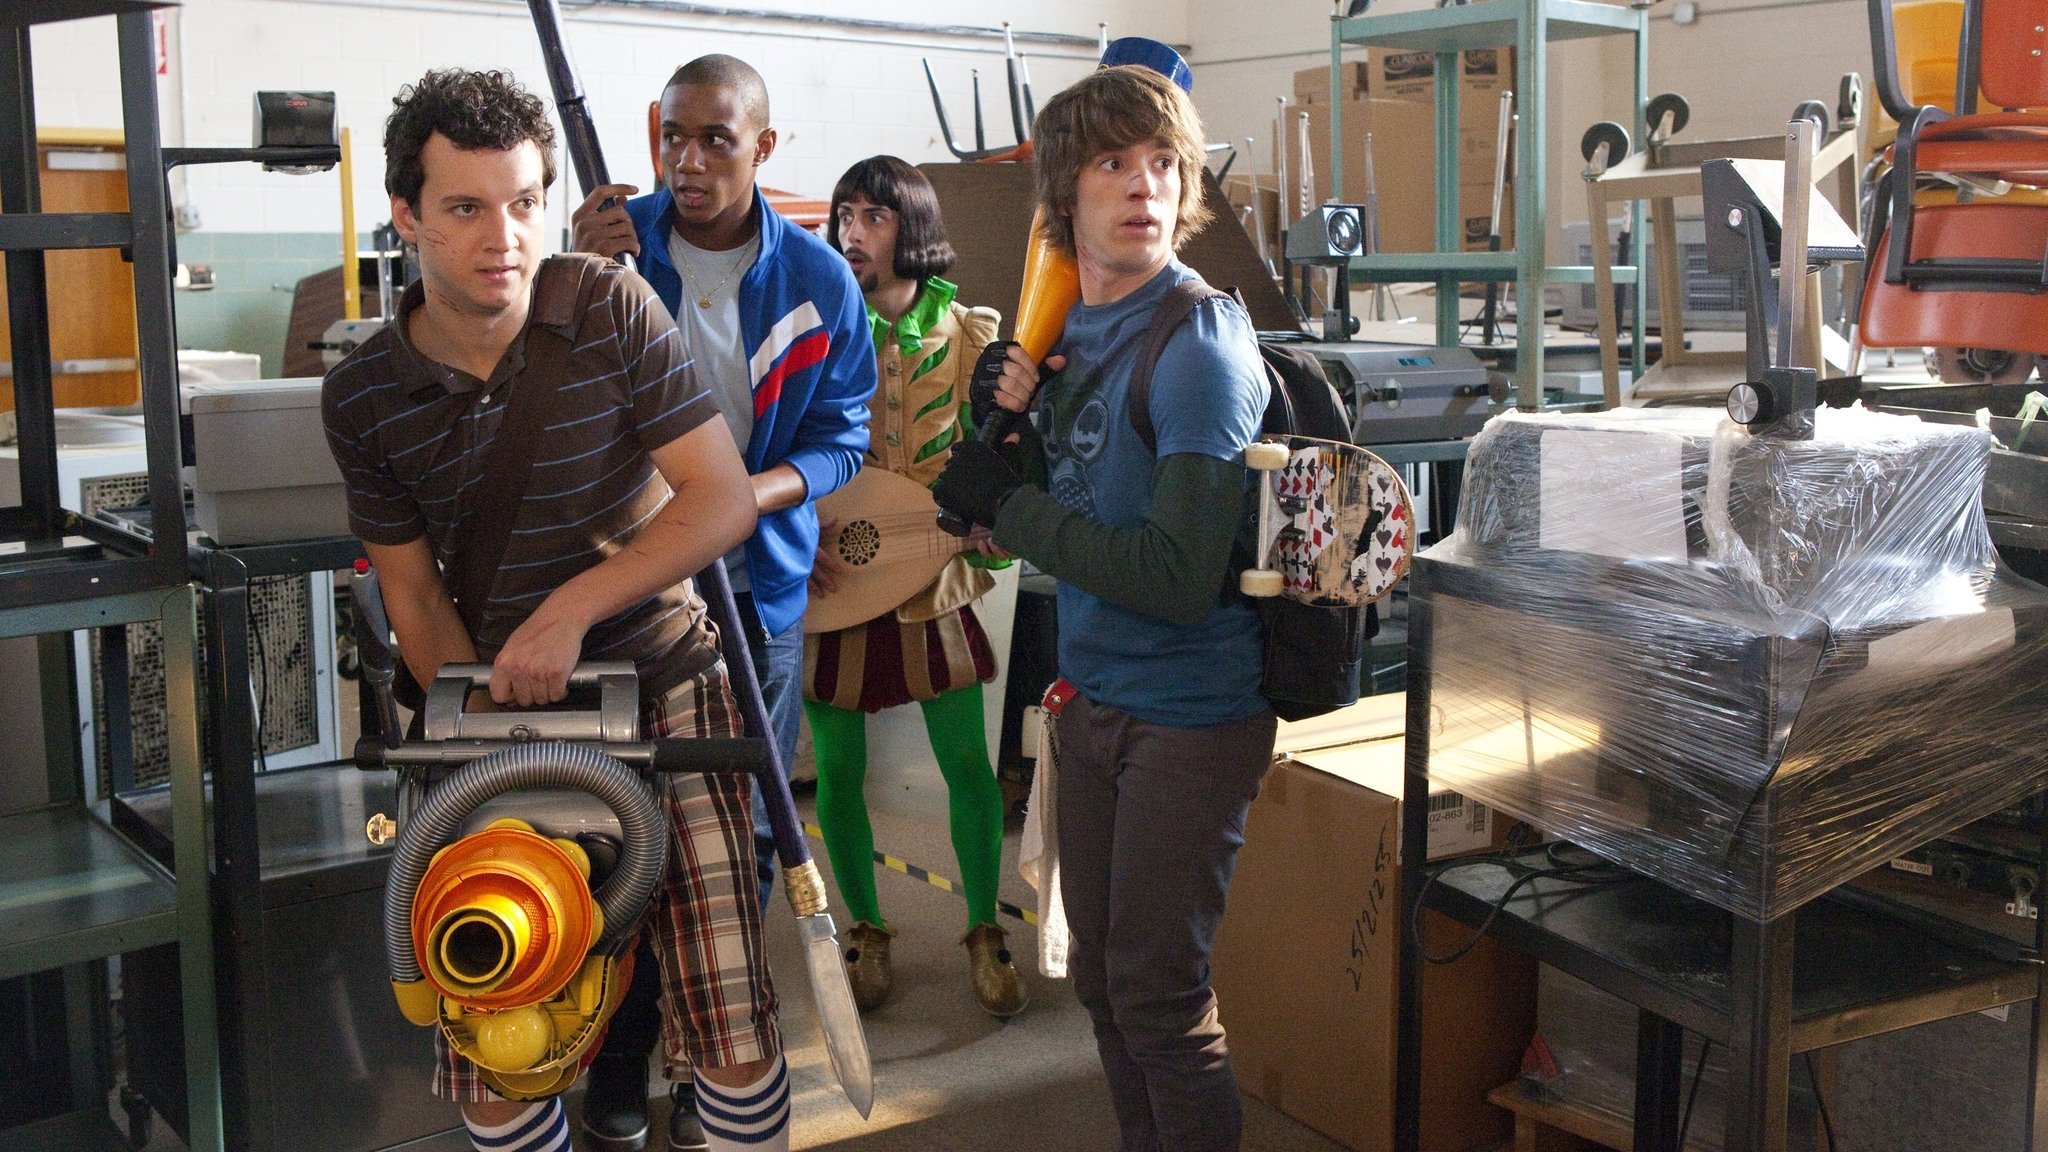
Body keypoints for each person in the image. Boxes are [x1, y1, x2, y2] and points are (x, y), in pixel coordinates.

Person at [321, 69, 791, 1152]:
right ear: (406, 215)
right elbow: (413, 593)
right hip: (496, 714)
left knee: (727, 1028)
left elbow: (719, 498)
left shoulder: (610, 309)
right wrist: (484, 735)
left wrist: (571, 609)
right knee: (499, 1044)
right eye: (466, 207)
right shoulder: (363, 396)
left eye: (526, 202)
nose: (506, 237)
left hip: (667, 687)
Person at [930, 65, 1278, 1152]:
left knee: (1160, 997)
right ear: (1062, 196)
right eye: (1112, 163)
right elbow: (1070, 502)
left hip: (1189, 713)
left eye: (1163, 163)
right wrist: (1004, 444)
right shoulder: (1068, 333)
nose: (1143, 185)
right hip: (1089, 700)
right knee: (1098, 980)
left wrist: (1012, 506)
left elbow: (1173, 575)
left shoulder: (1198, 346)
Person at [568, 53, 873, 1152]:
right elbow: (544, 390)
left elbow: (843, 436)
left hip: (753, 593)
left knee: (738, 840)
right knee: (623, 834)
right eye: (673, 139)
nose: (688, 163)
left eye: (716, 141)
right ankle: (621, 1056)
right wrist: (572, 270)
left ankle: (715, 1059)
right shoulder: (615, 248)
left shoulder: (818, 279)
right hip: (632, 590)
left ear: (764, 147)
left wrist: (746, 497)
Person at [807, 155, 1024, 1018]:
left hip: (932, 581)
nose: (853, 232)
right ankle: (865, 926)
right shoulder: (819, 323)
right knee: (837, 769)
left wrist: (994, 525)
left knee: (967, 763)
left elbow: (1001, 454)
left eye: (875, 216)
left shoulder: (968, 332)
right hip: (839, 578)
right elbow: (782, 445)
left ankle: (984, 927)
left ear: (914, 228)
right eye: (845, 215)